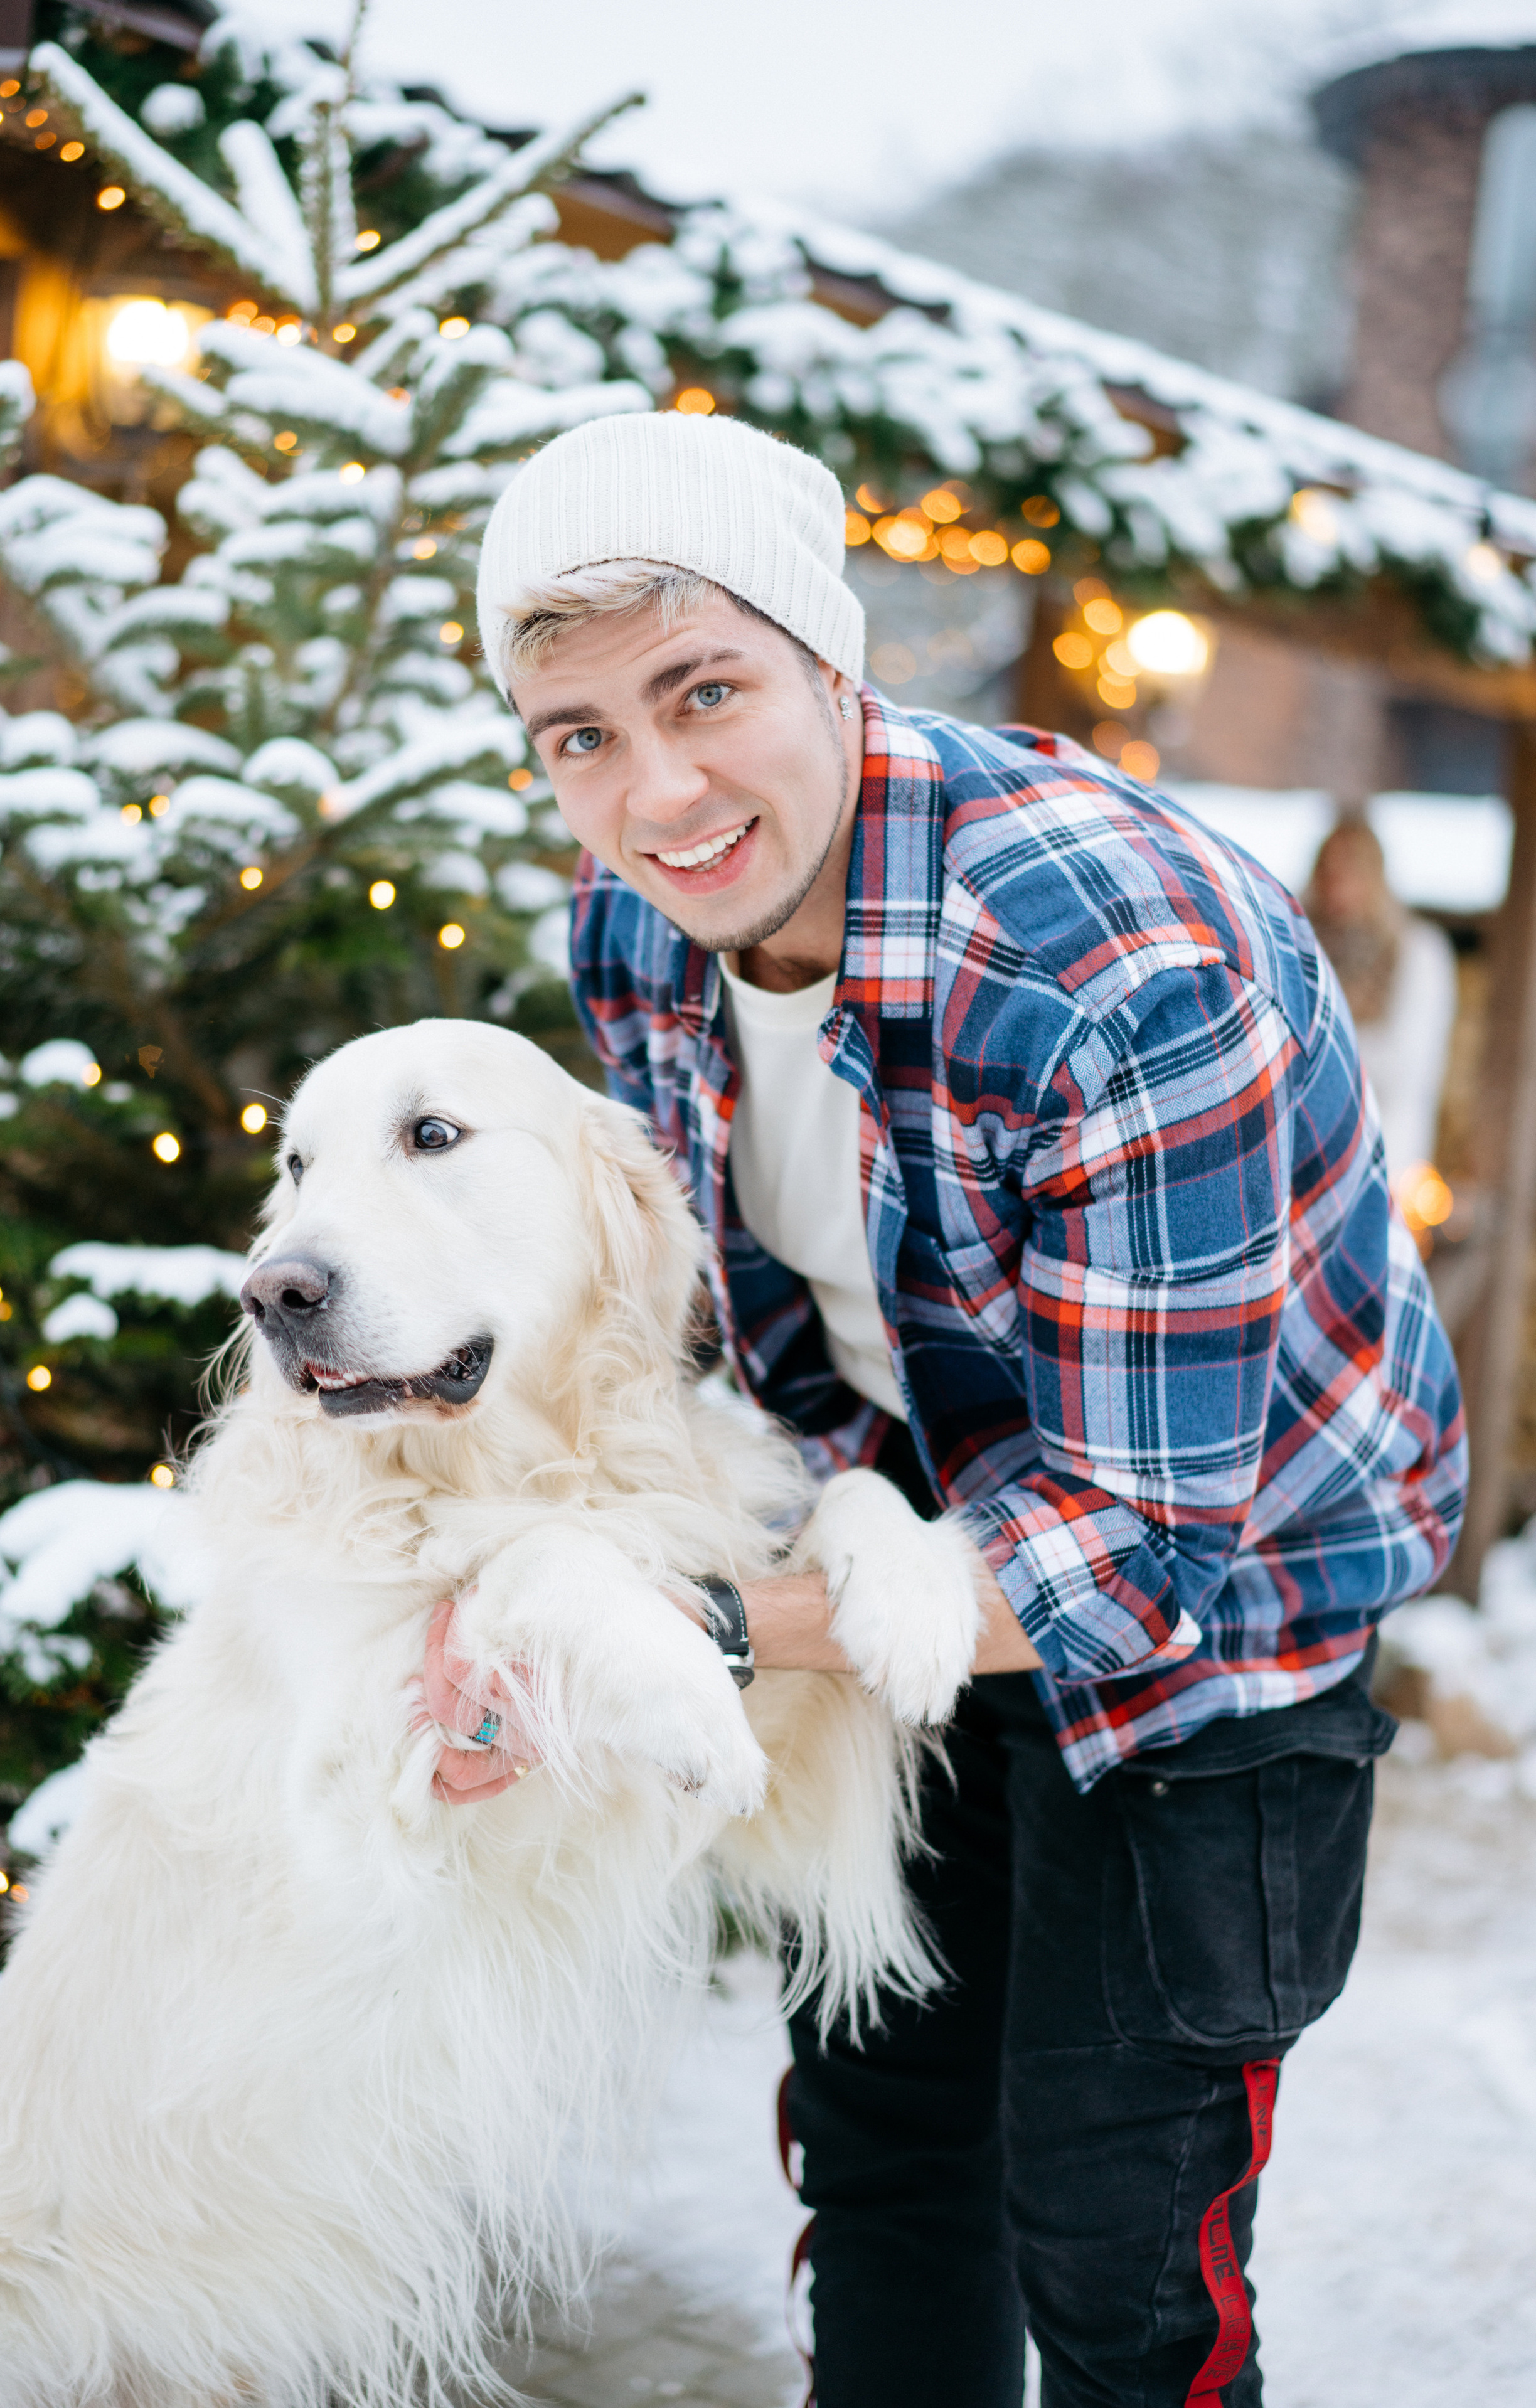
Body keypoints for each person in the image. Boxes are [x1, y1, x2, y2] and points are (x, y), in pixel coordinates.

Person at [425, 410, 1467, 2408]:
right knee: (887, 2152)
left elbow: (1137, 1555)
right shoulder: (645, 918)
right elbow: (710, 1324)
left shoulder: (1112, 962)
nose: (654, 789)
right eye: (577, 733)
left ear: (832, 658)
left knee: (1114, 2230)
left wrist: (697, 1630)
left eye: (702, 690)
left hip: (1208, 1632)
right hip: (899, 1553)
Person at [1304, 812, 1458, 1188]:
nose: (1336, 882)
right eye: (1329, 868)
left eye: (1350, 869)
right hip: (1306, 1146)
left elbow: (1408, 1064)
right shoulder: (1304, 943)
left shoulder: (1418, 951)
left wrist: (1314, 1048)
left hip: (1385, 1152)